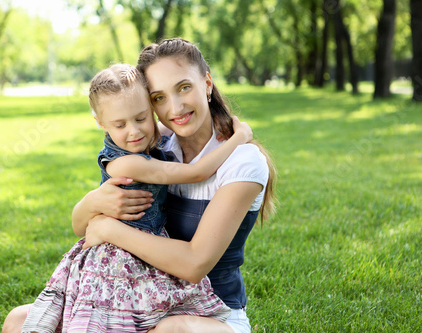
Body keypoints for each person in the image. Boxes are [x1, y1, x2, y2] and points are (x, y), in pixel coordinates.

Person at [14, 63, 253, 333]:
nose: (134, 131)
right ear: (100, 123)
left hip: (137, 255)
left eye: (141, 118)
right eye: (120, 124)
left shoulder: (154, 143)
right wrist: (240, 136)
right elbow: (197, 172)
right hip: (118, 264)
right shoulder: (126, 164)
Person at [77, 39, 277, 332]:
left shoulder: (243, 162)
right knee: (20, 321)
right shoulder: (152, 146)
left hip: (212, 314)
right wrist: (92, 203)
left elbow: (194, 264)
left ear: (207, 83)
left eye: (184, 87)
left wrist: (109, 229)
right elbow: (81, 227)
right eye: (159, 97)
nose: (175, 107)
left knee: (172, 330)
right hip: (145, 301)